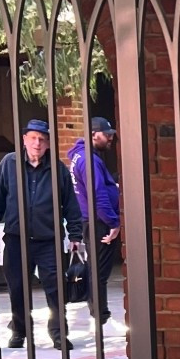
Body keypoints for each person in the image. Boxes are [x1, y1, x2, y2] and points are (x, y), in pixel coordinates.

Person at [0, 119, 85, 349]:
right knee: (18, 289)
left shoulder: (58, 169)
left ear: (49, 144)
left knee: (55, 288)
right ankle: (19, 331)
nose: (37, 143)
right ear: (24, 140)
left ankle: (58, 333)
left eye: (42, 139)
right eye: (33, 138)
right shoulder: (8, 164)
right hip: (16, 239)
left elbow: (70, 204)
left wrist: (75, 235)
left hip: (48, 240)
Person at [68, 116, 122, 325]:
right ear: (93, 134)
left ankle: (98, 310)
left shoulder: (81, 157)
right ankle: (100, 313)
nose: (110, 138)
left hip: (93, 220)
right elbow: (97, 194)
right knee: (99, 271)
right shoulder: (88, 160)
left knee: (95, 268)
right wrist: (113, 222)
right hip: (99, 222)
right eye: (106, 134)